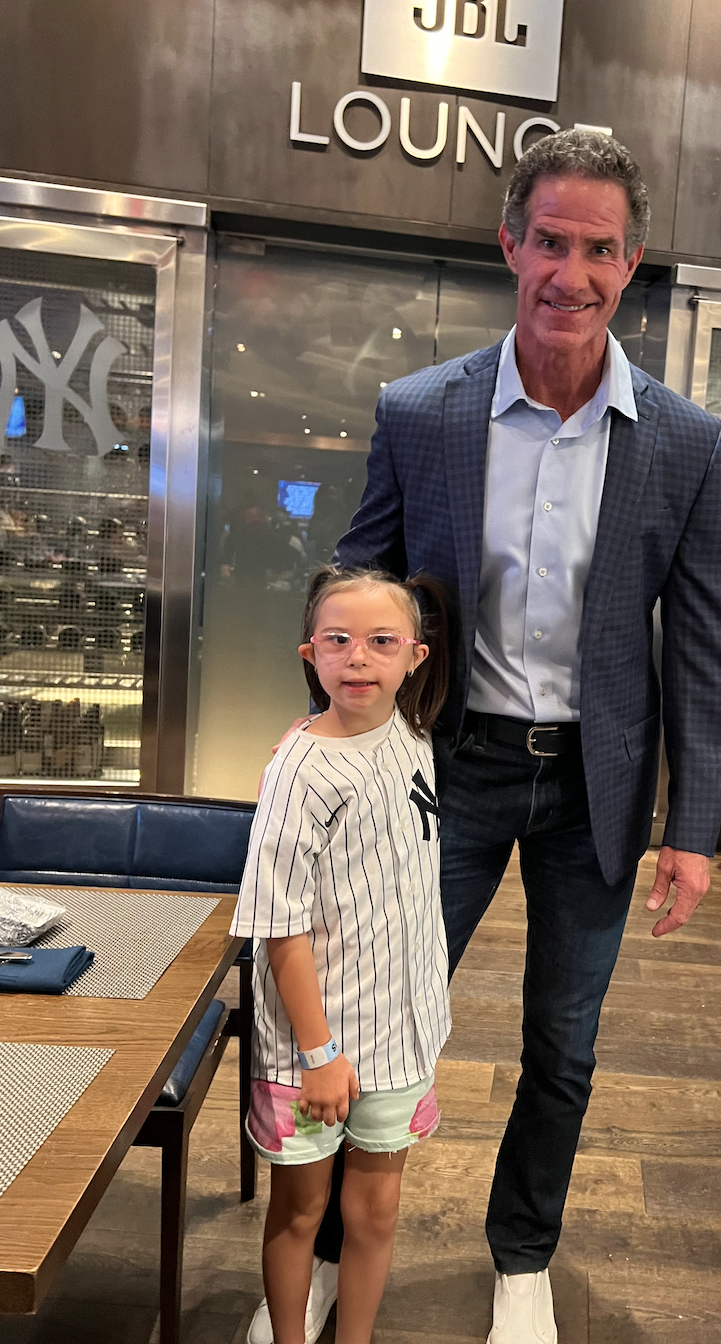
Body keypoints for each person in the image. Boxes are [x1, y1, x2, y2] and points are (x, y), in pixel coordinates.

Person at [250, 129, 721, 1344]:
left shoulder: (684, 441)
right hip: (444, 769)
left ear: (629, 264)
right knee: (363, 1014)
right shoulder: (422, 412)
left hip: (597, 782)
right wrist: (328, 714)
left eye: (597, 249)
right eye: (549, 242)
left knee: (562, 1045)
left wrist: (694, 827)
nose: (568, 273)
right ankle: (306, 1260)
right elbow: (356, 573)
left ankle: (521, 1254)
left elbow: (704, 643)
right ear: (508, 243)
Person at [236, 566, 451, 1344]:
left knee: (376, 1208)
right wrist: (321, 1051)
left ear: (415, 657)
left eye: (381, 642)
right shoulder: (298, 772)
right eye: (338, 641)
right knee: (300, 1209)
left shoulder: (413, 737)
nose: (359, 658)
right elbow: (279, 925)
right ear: (310, 654)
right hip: (312, 1046)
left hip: (401, 1030)